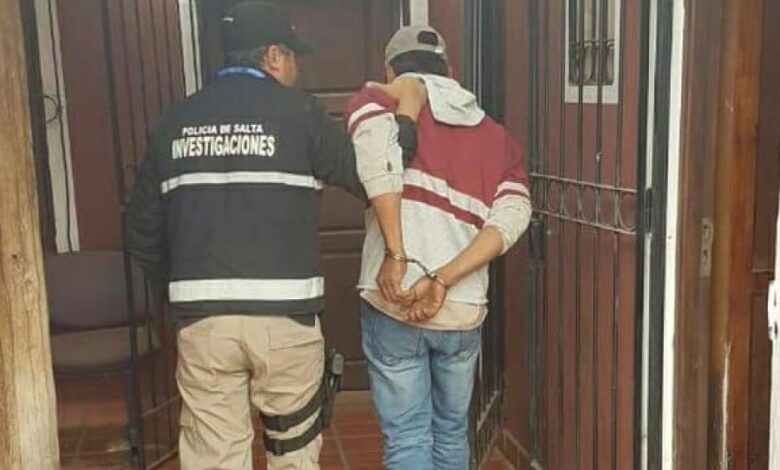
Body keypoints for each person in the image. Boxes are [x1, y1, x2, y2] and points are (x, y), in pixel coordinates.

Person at [125, 2, 425, 469]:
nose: (297, 68)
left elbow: (141, 230)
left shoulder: (172, 123)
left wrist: (185, 286)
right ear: (273, 56)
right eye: (293, 56)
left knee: (214, 457)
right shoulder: (301, 115)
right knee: (293, 454)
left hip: (204, 323)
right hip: (285, 322)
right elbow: (374, 174)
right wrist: (405, 118)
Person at [346, 25, 532, 470]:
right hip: (461, 305)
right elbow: (512, 218)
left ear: (389, 70)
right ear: (450, 70)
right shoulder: (498, 138)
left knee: (407, 436)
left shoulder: (377, 103)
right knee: (451, 431)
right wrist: (444, 279)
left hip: (394, 298)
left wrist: (397, 256)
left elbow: (377, 166)